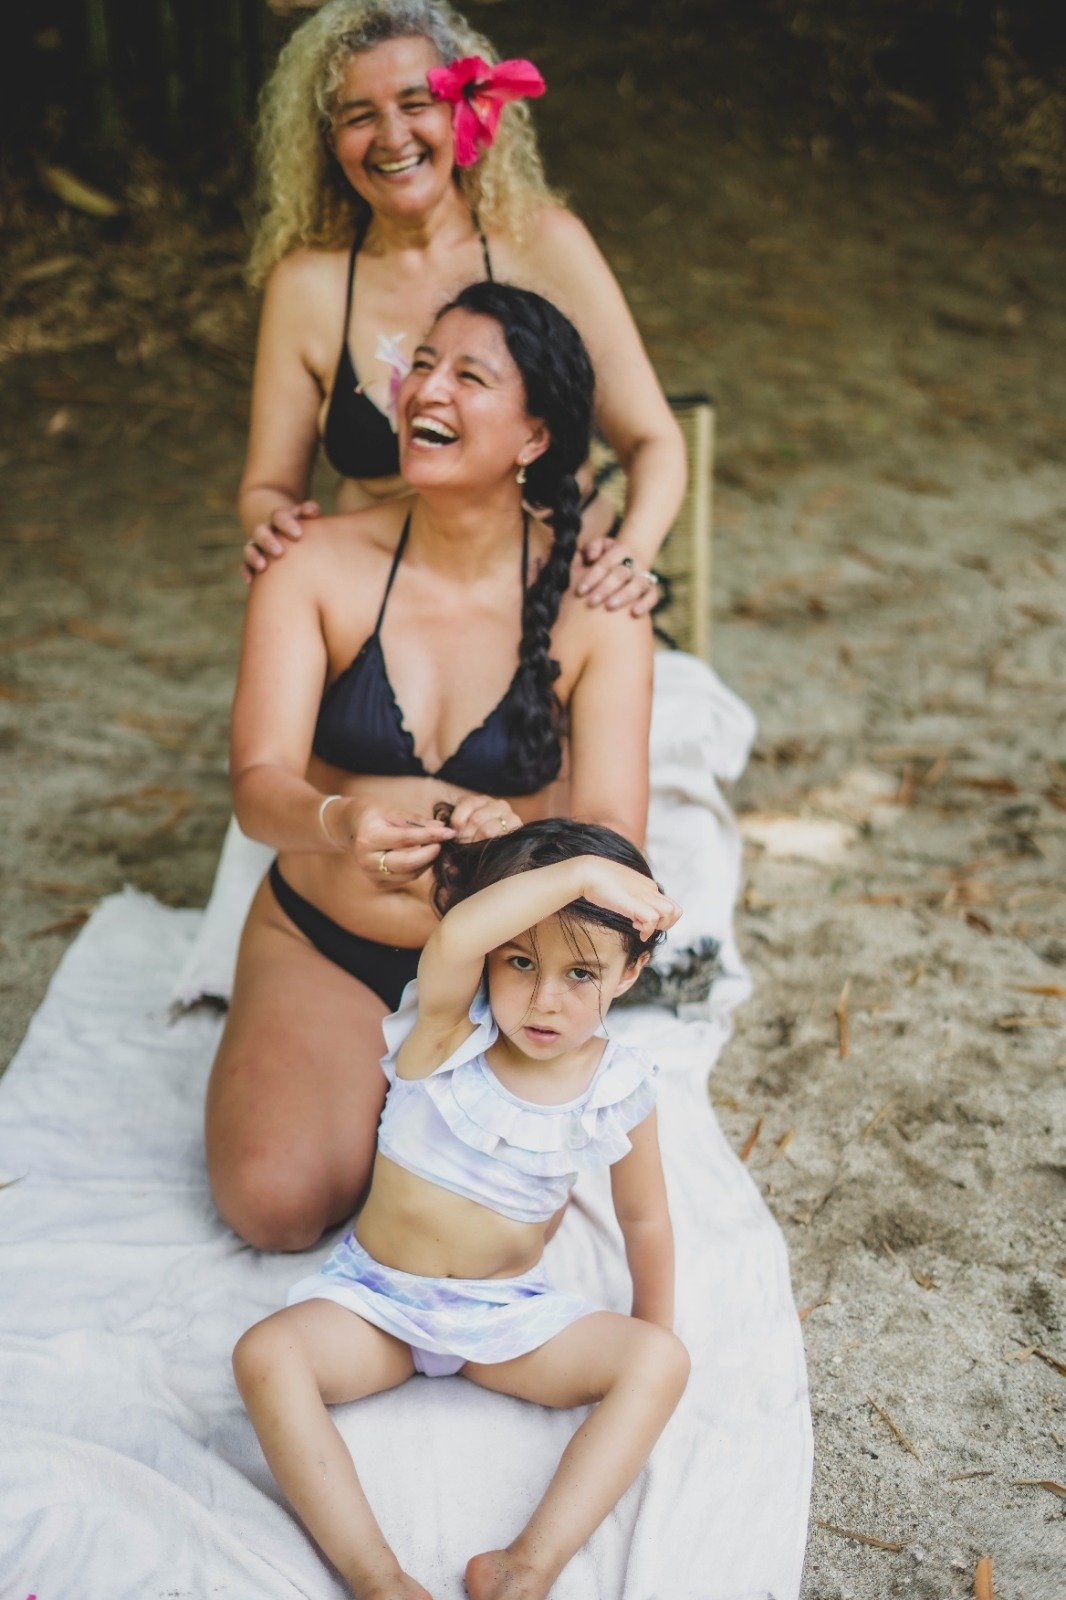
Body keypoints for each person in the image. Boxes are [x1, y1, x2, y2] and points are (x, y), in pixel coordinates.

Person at [206, 282, 654, 1252]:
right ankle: (317, 1073)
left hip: (509, 967)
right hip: (325, 938)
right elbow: (256, 786)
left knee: (481, 1225)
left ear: (534, 436)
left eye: (470, 374)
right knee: (276, 1205)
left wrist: (524, 852)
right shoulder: (311, 563)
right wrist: (339, 821)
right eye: (423, 366)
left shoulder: (596, 603)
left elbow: (619, 836)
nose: (423, 391)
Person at [232, 818, 689, 1600]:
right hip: (378, 1304)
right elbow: (453, 939)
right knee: (264, 1356)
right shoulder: (447, 1031)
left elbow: (644, 1221)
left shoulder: (618, 1088)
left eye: (581, 974)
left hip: (504, 1320)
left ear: (630, 972)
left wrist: (651, 1330)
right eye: (520, 962)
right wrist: (581, 874)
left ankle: (528, 1564)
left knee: (662, 1363)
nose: (544, 999)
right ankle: (377, 1577)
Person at [239, 0, 685, 616]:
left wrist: (629, 555)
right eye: (359, 116)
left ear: (465, 109)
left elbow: (654, 440)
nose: (393, 137)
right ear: (327, 141)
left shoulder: (543, 244)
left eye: (416, 104)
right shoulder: (307, 285)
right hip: (382, 611)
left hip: (548, 603)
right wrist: (277, 526)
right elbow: (268, 487)